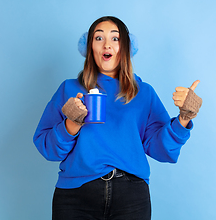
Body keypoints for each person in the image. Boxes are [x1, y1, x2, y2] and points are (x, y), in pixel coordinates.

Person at [33, 16, 202, 220]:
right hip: (75, 196)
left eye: (115, 38)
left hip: (131, 198)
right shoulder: (69, 89)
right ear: (89, 48)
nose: (107, 44)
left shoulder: (144, 93)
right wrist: (71, 124)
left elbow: (161, 149)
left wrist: (184, 117)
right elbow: (48, 149)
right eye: (98, 38)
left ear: (125, 48)